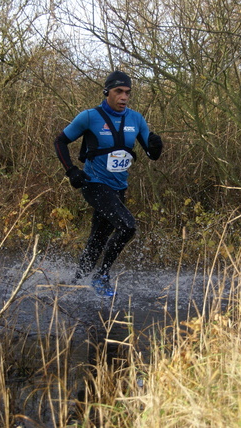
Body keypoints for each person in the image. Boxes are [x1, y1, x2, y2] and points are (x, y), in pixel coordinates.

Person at [53, 70, 163, 296]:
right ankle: (101, 276)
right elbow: (60, 141)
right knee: (127, 226)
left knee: (98, 239)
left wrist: (156, 146)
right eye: (118, 91)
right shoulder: (89, 117)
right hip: (94, 184)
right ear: (107, 92)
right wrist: (72, 171)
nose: (124, 97)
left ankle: (75, 284)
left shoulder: (136, 119)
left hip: (118, 188)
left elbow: (151, 155)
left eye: (127, 93)